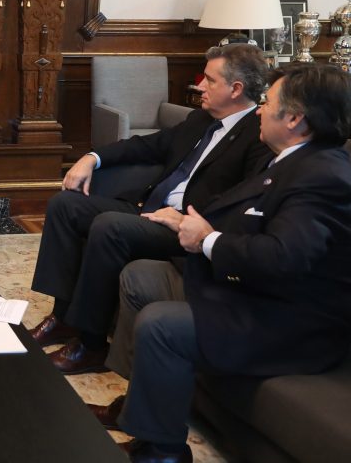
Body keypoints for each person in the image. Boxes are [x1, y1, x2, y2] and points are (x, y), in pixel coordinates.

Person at [90, 63, 351, 463]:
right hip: (252, 292)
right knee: (142, 278)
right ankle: (139, 408)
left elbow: (284, 257)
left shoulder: (322, 175)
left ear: (295, 118)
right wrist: (188, 223)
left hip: (287, 321)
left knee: (161, 324)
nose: (259, 110)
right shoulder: (290, 160)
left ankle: (162, 452)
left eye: (267, 103)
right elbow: (252, 220)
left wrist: (208, 239)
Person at [29, 44, 271, 374]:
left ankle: (91, 345)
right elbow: (147, 145)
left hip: (183, 228)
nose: (199, 85)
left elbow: (244, 197)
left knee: (110, 226)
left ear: (236, 89)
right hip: (148, 207)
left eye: (210, 80)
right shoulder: (200, 119)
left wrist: (185, 219)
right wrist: (91, 157)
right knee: (65, 204)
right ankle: (63, 317)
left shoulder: (257, 136)